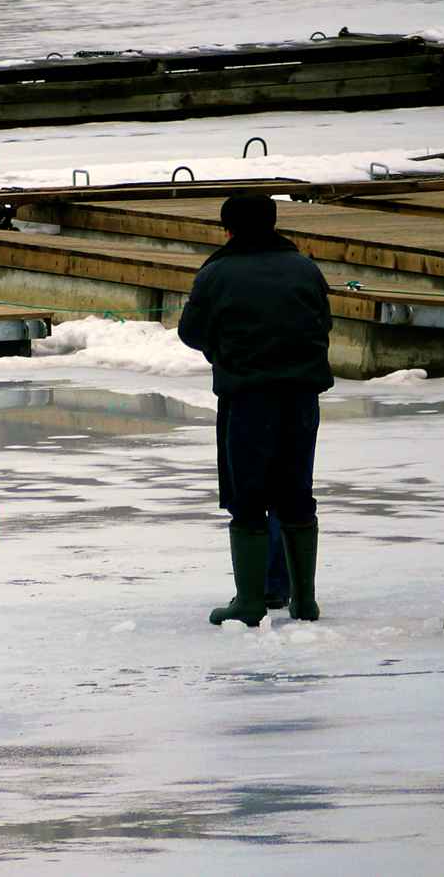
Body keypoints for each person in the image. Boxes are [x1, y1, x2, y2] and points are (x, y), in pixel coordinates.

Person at [177, 194, 333, 627]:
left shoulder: (218, 272)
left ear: (227, 229)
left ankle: (250, 602)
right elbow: (322, 324)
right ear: (274, 224)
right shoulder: (306, 268)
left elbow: (191, 333)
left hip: (247, 400)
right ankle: (304, 601)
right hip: (302, 400)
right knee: (296, 495)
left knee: (248, 498)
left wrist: (222, 347)